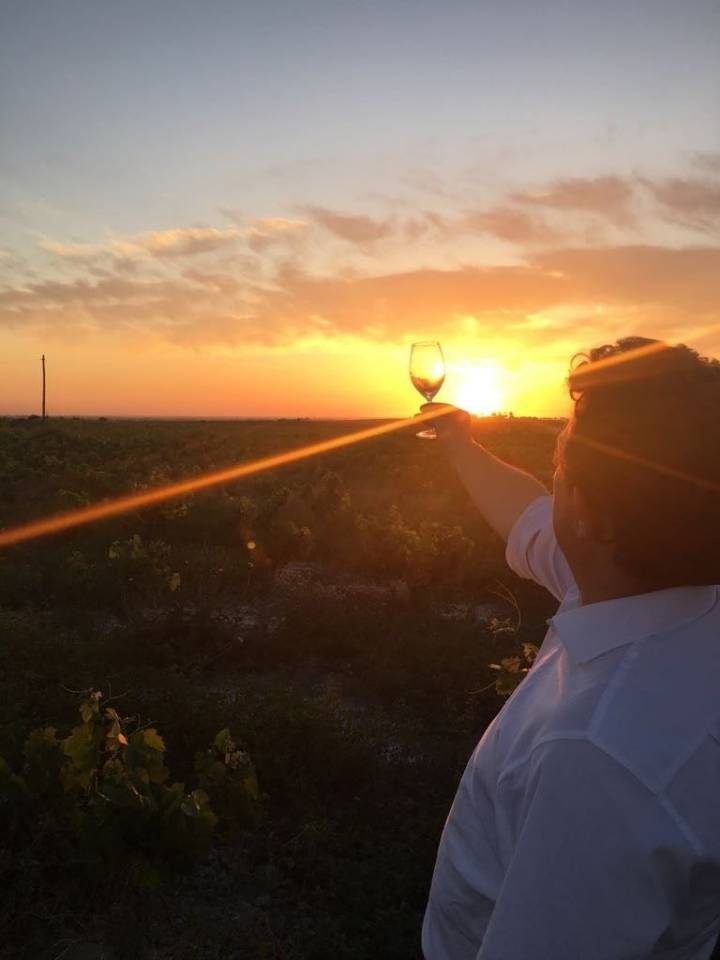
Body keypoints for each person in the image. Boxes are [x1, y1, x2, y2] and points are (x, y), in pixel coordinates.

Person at [420, 336, 720, 960]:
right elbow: (525, 516)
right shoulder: (648, 583)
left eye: (559, 468)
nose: (550, 483)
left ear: (591, 518)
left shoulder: (600, 760)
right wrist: (458, 441)